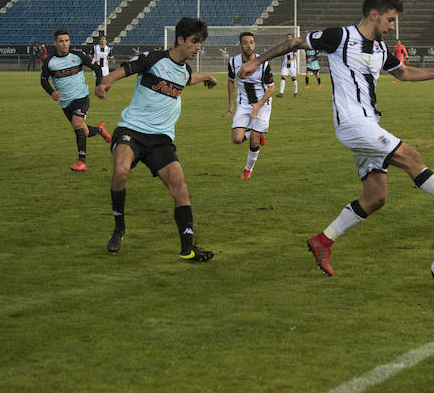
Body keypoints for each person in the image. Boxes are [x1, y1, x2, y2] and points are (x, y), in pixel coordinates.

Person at [238, 0, 434, 277]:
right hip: (352, 123)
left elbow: (404, 73)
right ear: (374, 14)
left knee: (376, 196)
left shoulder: (381, 49)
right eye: (390, 19)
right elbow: (296, 42)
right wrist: (257, 62)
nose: (392, 26)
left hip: (369, 123)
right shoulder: (340, 37)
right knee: (410, 156)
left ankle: (323, 240)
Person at [95, 17, 218, 260]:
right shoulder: (153, 59)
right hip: (132, 129)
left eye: (201, 43)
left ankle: (188, 250)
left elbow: (186, 79)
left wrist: (205, 77)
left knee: (180, 188)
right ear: (181, 39)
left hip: (160, 139)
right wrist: (106, 82)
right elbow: (125, 70)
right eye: (195, 42)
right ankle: (119, 228)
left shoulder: (185, 70)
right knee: (121, 171)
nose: (198, 47)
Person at [40, 28, 112, 172]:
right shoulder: (50, 61)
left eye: (66, 41)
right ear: (55, 43)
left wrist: (98, 85)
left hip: (81, 97)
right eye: (61, 41)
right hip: (65, 102)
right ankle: (99, 130)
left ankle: (81, 162)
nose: (64, 44)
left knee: (78, 124)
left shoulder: (77, 55)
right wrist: (51, 92)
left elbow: (96, 68)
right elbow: (43, 80)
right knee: (83, 130)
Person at [226, 31, 274, 179]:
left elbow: (271, 88)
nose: (249, 45)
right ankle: (257, 133)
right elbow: (230, 81)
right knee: (237, 139)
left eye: (251, 42)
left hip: (263, 103)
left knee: (253, 140)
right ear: (240, 44)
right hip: (244, 104)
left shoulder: (263, 63)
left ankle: (248, 169)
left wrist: (258, 106)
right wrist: (230, 103)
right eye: (245, 42)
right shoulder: (233, 62)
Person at [277, 33, 298, 98]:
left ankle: (295, 92)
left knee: (293, 78)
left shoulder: (294, 46)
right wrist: (282, 62)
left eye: (290, 37)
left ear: (292, 38)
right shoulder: (284, 46)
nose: (289, 38)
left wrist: (290, 60)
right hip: (285, 65)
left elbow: (295, 56)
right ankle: (281, 93)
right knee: (283, 77)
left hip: (292, 65)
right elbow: (282, 55)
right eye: (288, 37)